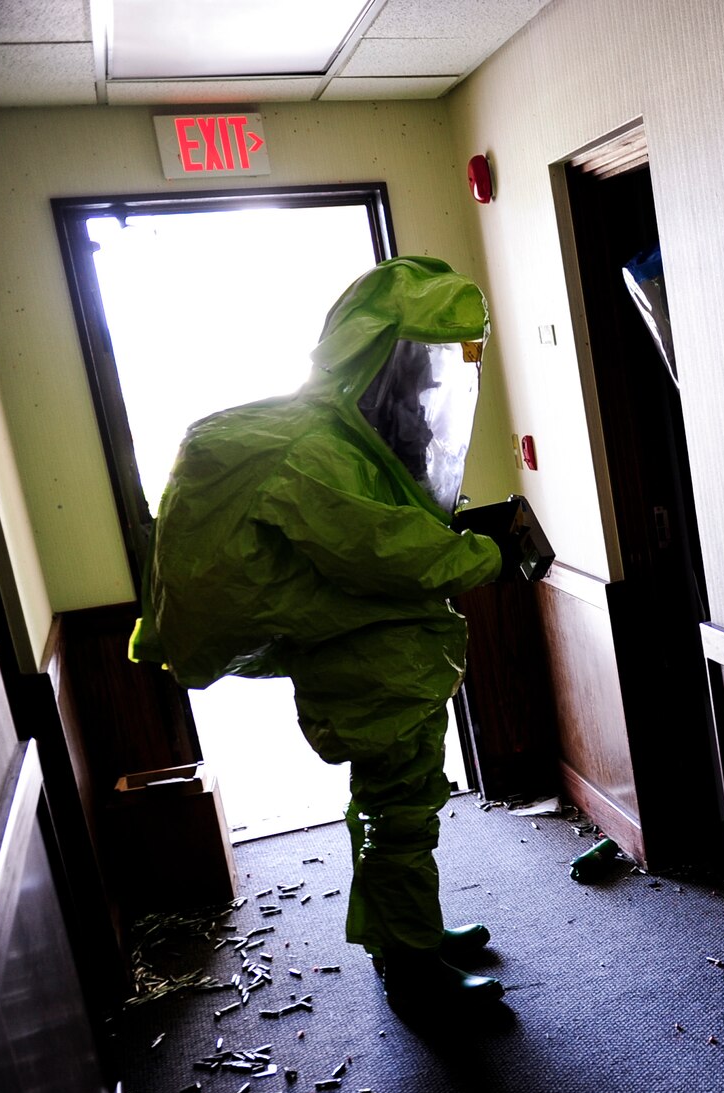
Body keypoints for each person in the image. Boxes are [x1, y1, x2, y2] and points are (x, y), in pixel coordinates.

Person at [131, 256, 506, 1007]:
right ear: (372, 354)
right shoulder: (315, 447)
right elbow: (379, 548)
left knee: (394, 802)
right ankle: (414, 970)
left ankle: (407, 937)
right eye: (420, 360)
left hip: (375, 651)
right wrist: (483, 551)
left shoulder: (339, 435)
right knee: (399, 809)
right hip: (365, 660)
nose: (431, 383)